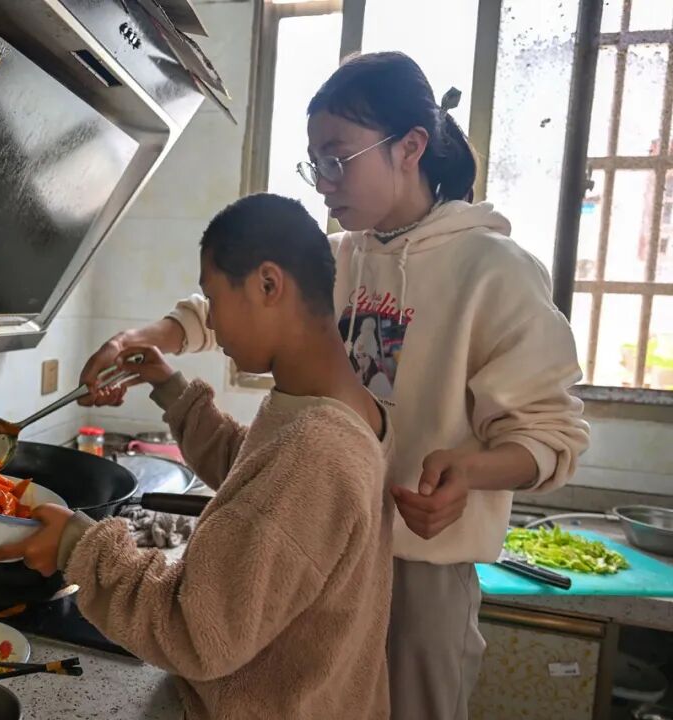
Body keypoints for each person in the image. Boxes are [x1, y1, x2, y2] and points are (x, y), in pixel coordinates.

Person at [77, 52, 590, 720]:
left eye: (338, 158)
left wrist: (472, 472)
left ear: (410, 147)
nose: (323, 183)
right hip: (325, 565)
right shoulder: (344, 255)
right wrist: (145, 340)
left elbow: (553, 435)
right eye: (314, 161)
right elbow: (226, 306)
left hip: (420, 571)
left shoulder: (494, 270)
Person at [0, 194, 395, 720]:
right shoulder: (344, 408)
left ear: (268, 284)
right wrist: (170, 388)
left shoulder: (317, 449)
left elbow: (197, 632)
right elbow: (255, 475)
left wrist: (76, 545)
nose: (213, 324)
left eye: (214, 298)